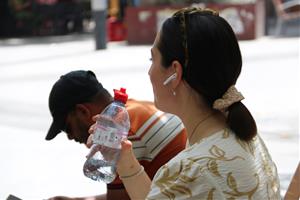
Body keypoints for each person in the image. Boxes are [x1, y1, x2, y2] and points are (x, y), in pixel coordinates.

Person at [89, 7, 281, 199]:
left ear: (175, 72)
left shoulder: (190, 169)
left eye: (152, 59)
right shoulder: (244, 136)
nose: (149, 72)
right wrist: (125, 161)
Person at [45, 70, 187, 200]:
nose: (70, 137)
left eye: (67, 128)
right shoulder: (130, 111)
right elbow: (126, 194)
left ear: (83, 111)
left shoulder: (119, 132)